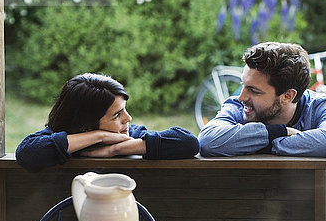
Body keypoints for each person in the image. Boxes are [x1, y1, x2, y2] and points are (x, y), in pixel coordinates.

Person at [16, 73, 199, 172]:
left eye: (125, 110)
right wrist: (98, 136)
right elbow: (27, 154)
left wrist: (115, 149)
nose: (128, 119)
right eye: (117, 115)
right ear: (86, 124)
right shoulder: (57, 138)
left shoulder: (126, 136)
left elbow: (188, 142)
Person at [198, 42, 326, 157]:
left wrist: (265, 144)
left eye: (253, 90)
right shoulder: (237, 106)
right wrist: (279, 132)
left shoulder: (320, 105)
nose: (241, 97)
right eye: (243, 84)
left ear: (287, 96)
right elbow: (207, 141)